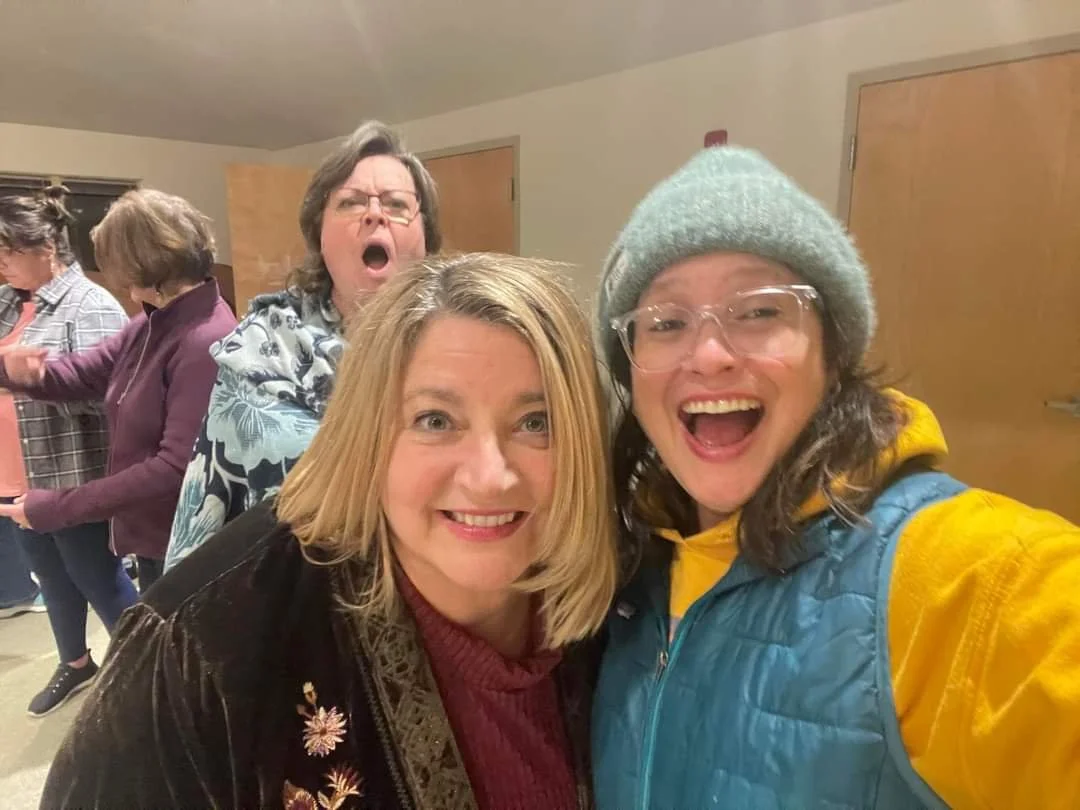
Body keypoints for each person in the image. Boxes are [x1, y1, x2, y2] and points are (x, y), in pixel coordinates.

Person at [590, 147, 1080, 808]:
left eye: (759, 310)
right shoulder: (627, 569)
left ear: (834, 350)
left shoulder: (966, 574)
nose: (707, 355)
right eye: (667, 322)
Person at [43, 253, 617, 810]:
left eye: (536, 422)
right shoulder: (201, 648)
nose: (491, 477)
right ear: (367, 435)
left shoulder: (626, 611)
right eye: (435, 420)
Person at [165, 120, 441, 571]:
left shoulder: (465, 345)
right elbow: (207, 501)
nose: (376, 215)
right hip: (290, 607)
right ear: (320, 234)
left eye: (396, 204)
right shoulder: (259, 348)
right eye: (351, 203)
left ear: (425, 234)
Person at [0, 188, 236, 603]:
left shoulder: (204, 338)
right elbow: (81, 373)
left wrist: (58, 506)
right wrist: (15, 370)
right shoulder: (153, 323)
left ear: (144, 263)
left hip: (185, 543)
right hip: (155, 537)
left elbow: (174, 466)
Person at [0, 187, 138, 716]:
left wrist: (33, 381)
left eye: (11, 251)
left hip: (69, 477)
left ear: (48, 247)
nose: (3, 263)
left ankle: (145, 678)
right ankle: (77, 665)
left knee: (100, 581)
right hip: (17, 478)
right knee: (52, 581)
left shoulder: (92, 305)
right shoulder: (8, 302)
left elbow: (109, 401)